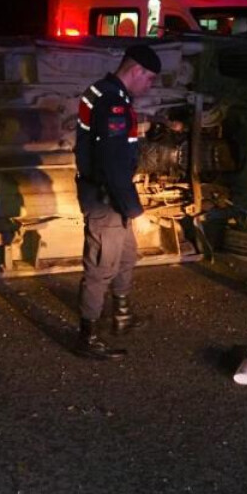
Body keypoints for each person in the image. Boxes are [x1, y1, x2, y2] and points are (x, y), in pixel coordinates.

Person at [72, 44, 160, 360]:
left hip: (110, 192)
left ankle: (122, 316)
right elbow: (112, 162)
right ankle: (88, 336)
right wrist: (135, 212)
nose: (149, 86)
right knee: (101, 265)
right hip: (106, 197)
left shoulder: (103, 92)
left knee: (126, 254)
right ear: (136, 70)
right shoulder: (113, 103)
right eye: (149, 79)